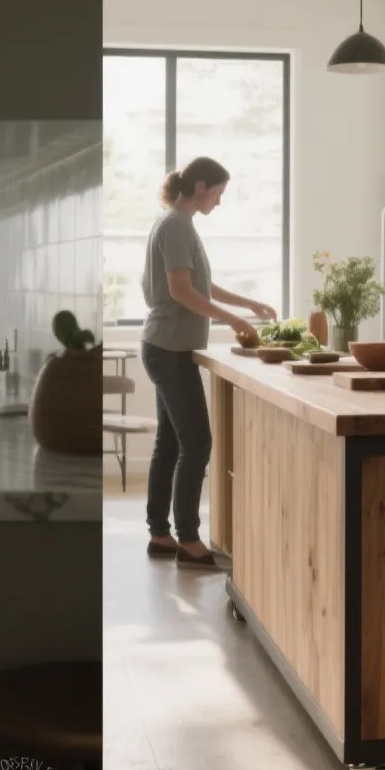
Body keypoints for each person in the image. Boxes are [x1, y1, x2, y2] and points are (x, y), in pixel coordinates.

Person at [138, 156, 276, 568]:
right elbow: (181, 291)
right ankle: (189, 541)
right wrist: (233, 319)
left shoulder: (176, 223)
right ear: (200, 186)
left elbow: (200, 283)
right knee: (197, 442)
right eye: (218, 193)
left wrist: (246, 304)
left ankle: (160, 534)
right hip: (170, 352)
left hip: (165, 347)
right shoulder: (177, 225)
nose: (219, 202)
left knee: (171, 443)